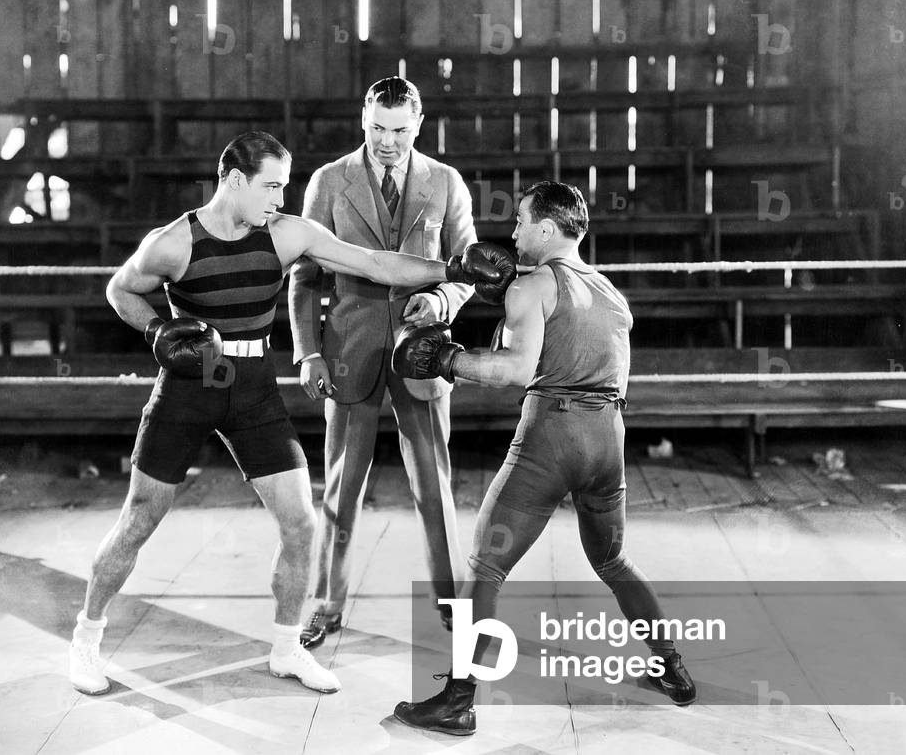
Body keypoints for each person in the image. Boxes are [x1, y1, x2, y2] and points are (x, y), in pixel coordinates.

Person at [68, 130, 512, 697]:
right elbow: (120, 290)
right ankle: (86, 638)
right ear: (235, 181)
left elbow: (375, 263)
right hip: (188, 387)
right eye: (271, 186)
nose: (281, 197)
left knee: (301, 523)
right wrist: (156, 329)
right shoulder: (174, 242)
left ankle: (285, 647)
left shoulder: (285, 233)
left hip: (253, 390)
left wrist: (452, 269)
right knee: (139, 518)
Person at [388, 182, 697, 736]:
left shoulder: (533, 286)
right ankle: (672, 668)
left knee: (486, 565)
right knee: (613, 560)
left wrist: (448, 359)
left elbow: (515, 370)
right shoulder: (610, 292)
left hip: (553, 433)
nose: (513, 232)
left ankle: (458, 700)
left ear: (547, 228)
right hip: (608, 439)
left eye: (522, 221)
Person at [289, 78, 512, 648]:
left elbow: (467, 270)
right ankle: (325, 605)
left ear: (419, 125)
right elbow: (304, 276)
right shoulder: (328, 181)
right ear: (363, 120)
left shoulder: (446, 181)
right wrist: (308, 351)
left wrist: (441, 301)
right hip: (348, 351)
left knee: (434, 487)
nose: (387, 141)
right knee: (341, 488)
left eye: (399, 130)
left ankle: (453, 606)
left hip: (424, 350)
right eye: (377, 128)